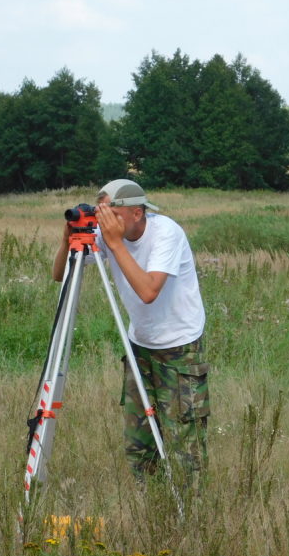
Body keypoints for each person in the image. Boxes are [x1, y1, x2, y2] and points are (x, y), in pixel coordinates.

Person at [53, 179, 209, 488]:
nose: (104, 221)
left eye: (111, 213)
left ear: (137, 213)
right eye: (100, 214)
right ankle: (149, 506)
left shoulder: (167, 233)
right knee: (140, 444)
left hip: (178, 348)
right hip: (139, 344)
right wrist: (67, 238)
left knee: (182, 443)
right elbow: (60, 274)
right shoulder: (110, 235)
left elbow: (148, 291)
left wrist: (114, 244)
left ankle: (189, 515)